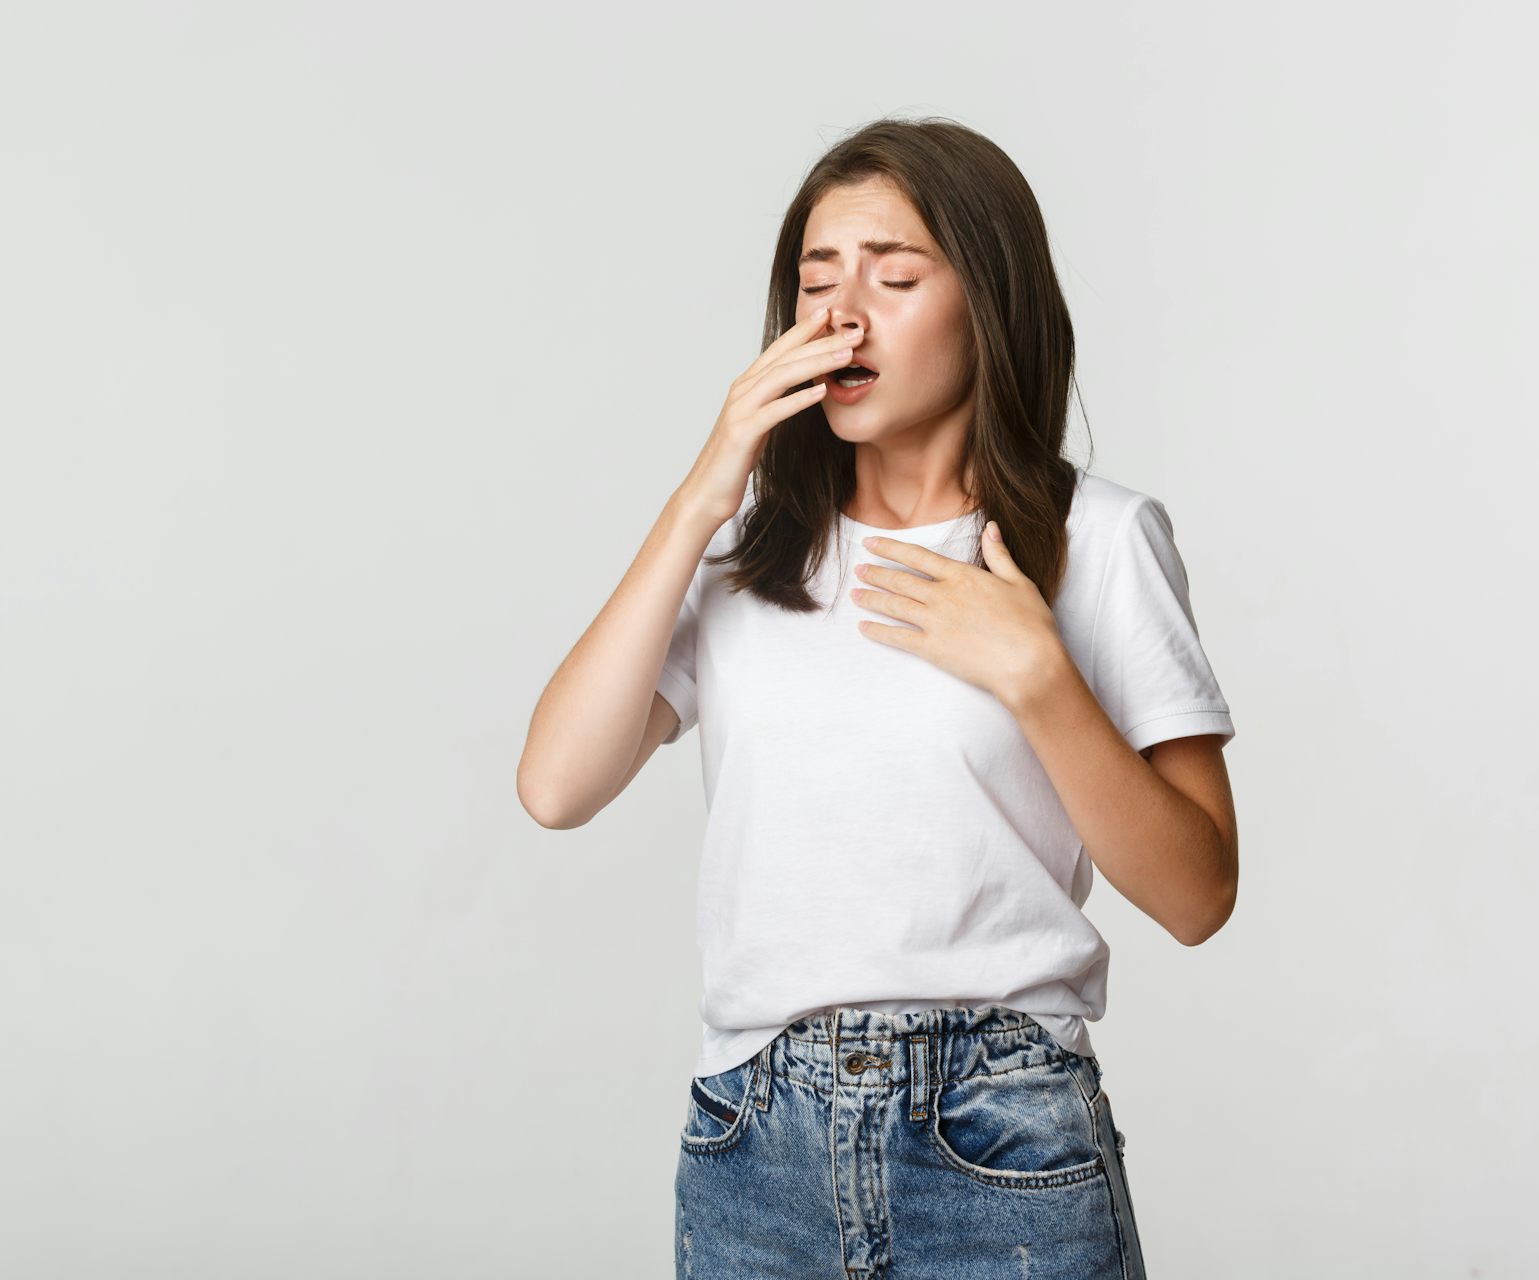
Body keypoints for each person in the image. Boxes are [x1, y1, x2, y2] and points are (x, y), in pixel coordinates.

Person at [517, 116, 1237, 1278]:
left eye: (893, 276)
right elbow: (554, 784)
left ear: (987, 302)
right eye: (815, 281)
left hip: (1000, 1139)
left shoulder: (1096, 541)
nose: (842, 314)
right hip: (756, 1145)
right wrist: (706, 489)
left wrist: (1037, 676)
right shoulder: (753, 553)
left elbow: (1200, 893)